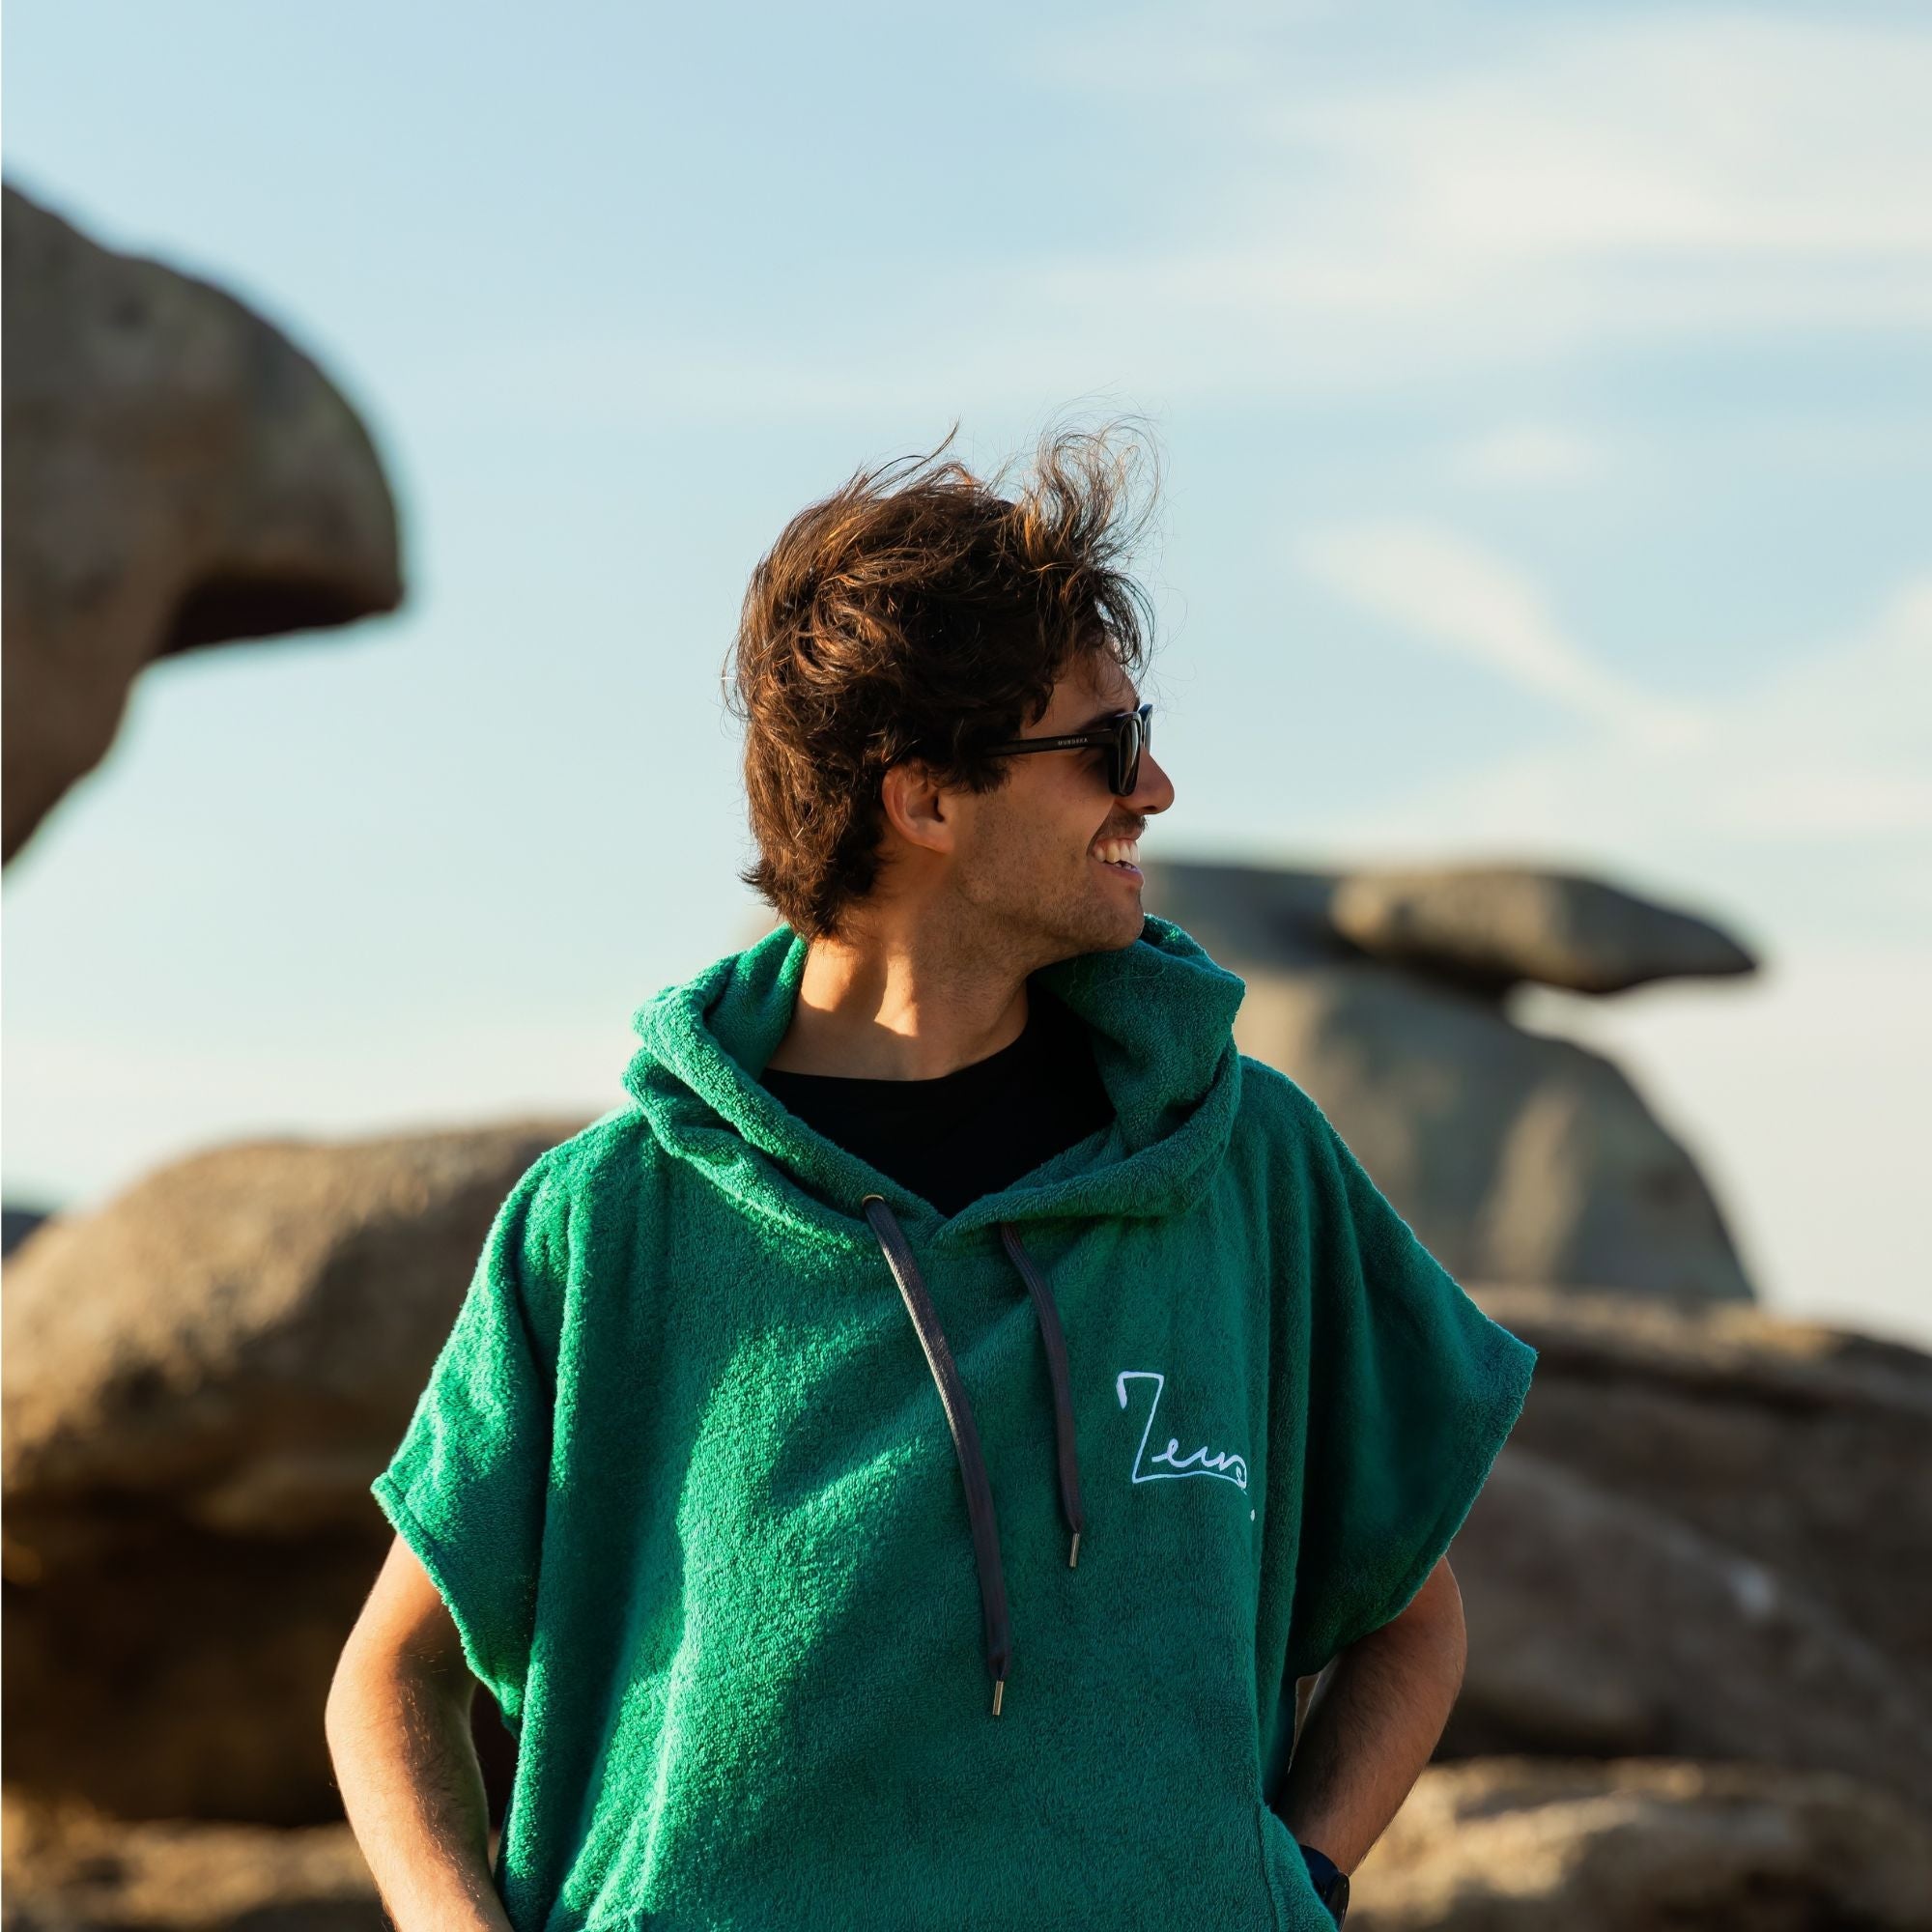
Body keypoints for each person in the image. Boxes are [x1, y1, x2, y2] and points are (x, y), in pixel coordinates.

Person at [326, 425, 1539, 1932]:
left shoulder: (1247, 1166)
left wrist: (1288, 1888)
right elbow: (392, 1673)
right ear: (925, 799)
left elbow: (1412, 1623)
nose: (1152, 784)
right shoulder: (614, 1216)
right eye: (1102, 741)